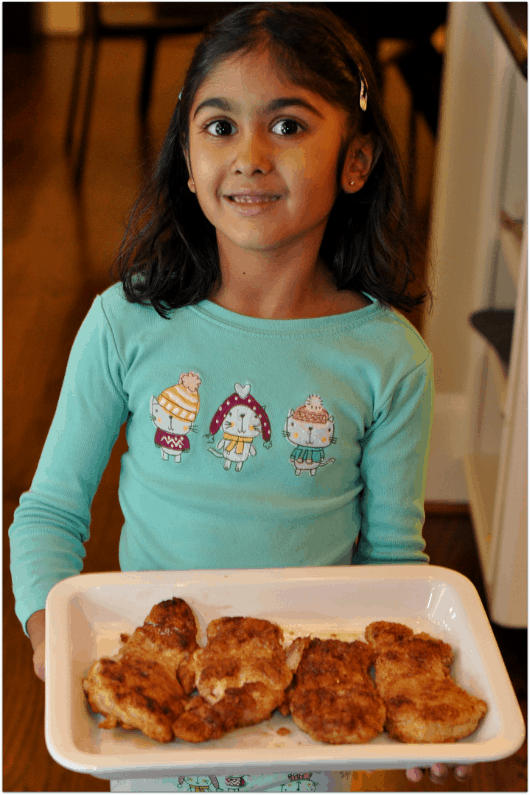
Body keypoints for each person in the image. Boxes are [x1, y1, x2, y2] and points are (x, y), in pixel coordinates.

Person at [9, 2, 468, 790]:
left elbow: (391, 560)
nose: (250, 155)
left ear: (355, 162)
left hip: (306, 729)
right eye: (220, 126)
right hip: (155, 714)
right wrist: (51, 630)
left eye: (288, 126)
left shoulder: (391, 359)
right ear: (187, 159)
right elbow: (52, 508)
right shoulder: (125, 325)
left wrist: (404, 698)